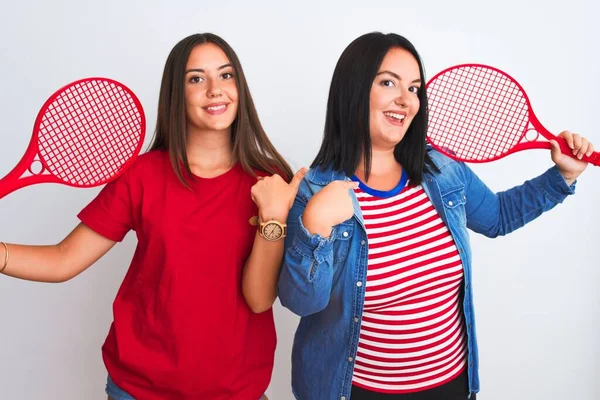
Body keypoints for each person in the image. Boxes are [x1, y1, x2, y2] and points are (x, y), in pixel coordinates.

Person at [277, 32, 594, 400]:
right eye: (387, 82)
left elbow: (497, 217)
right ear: (353, 90)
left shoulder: (441, 169)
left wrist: (563, 177)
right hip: (357, 391)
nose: (405, 100)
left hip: (452, 386)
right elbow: (301, 303)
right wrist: (314, 225)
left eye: (414, 88)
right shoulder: (315, 190)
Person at [0, 33, 304, 400]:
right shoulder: (142, 176)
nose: (215, 90)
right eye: (196, 78)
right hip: (139, 390)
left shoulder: (269, 182)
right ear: (177, 93)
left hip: (236, 391)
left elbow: (258, 299)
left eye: (226, 76)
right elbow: (64, 260)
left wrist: (273, 215)